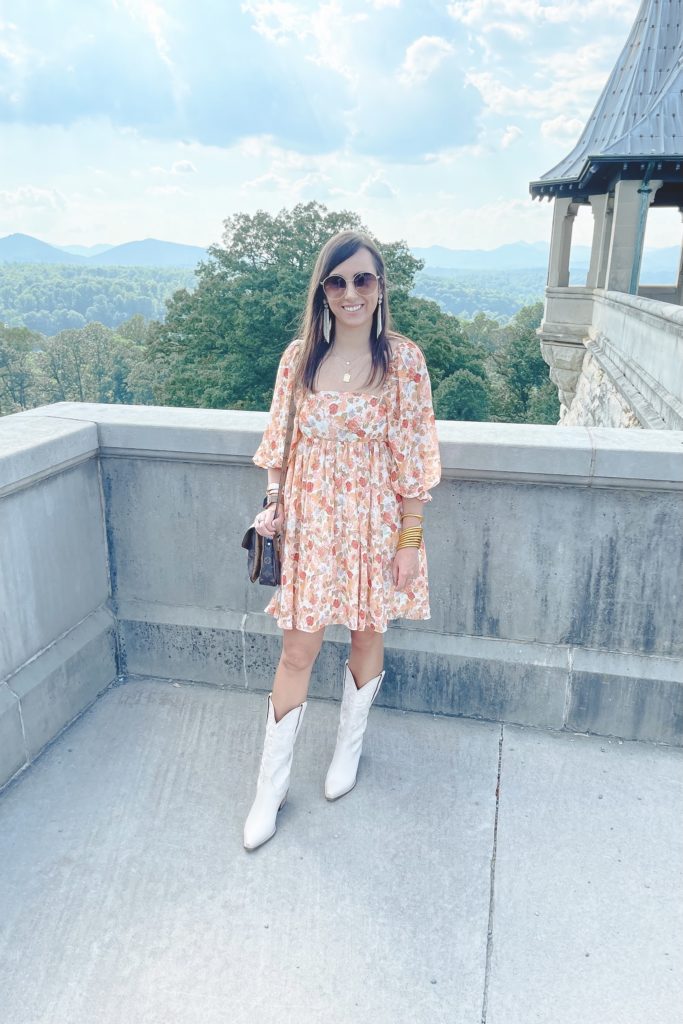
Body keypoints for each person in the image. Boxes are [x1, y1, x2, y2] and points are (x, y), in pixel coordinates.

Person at [243, 229, 441, 850]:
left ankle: (346, 754)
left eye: (363, 279)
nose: (350, 291)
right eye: (337, 280)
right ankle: (268, 792)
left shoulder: (403, 360)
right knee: (296, 652)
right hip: (310, 525)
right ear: (323, 291)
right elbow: (279, 446)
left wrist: (409, 541)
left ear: (381, 288)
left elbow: (415, 456)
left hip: (376, 529)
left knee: (367, 634)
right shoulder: (299, 358)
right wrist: (274, 504)